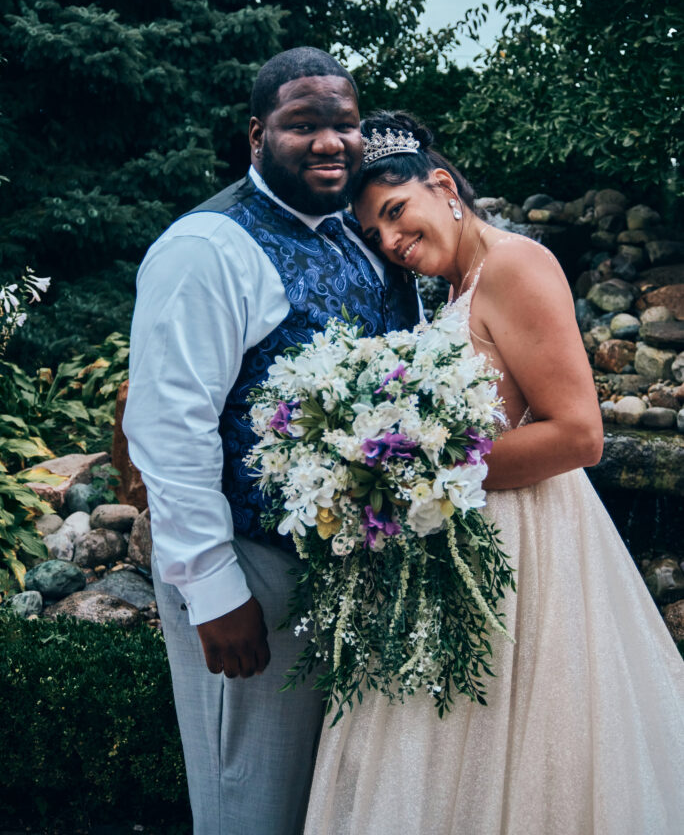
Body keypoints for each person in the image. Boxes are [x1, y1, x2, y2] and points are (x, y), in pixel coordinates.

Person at [304, 111, 684, 835]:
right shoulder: (452, 291)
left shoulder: (516, 264)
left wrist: (416, 465)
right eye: (374, 235)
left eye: (394, 212)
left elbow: (579, 434)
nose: (390, 242)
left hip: (527, 551)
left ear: (441, 185)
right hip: (460, 552)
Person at [122, 58, 420, 835]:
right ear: (258, 136)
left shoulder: (361, 235)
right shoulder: (206, 247)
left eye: (344, 124)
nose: (331, 143)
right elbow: (167, 425)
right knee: (249, 803)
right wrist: (213, 590)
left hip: (351, 571)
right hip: (251, 569)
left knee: (334, 803)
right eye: (303, 125)